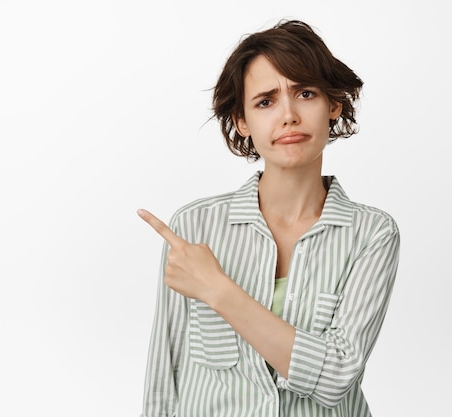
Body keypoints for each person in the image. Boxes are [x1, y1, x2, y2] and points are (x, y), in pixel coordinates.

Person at [137, 19, 400, 417]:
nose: (289, 115)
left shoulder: (372, 234)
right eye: (265, 101)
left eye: (305, 93)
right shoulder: (194, 227)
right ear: (242, 121)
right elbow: (164, 378)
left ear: (333, 105)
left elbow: (335, 377)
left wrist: (217, 290)